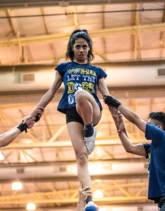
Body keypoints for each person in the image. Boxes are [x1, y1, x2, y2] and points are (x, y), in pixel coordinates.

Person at [24, 29, 112, 202]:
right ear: (71, 49)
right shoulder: (64, 68)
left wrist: (118, 117)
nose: (81, 50)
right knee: (81, 156)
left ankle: (89, 130)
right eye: (77, 46)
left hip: (93, 110)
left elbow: (107, 96)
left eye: (84, 46)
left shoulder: (97, 71)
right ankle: (88, 198)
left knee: (80, 94)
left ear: (89, 49)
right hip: (72, 112)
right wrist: (34, 112)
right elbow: (50, 92)